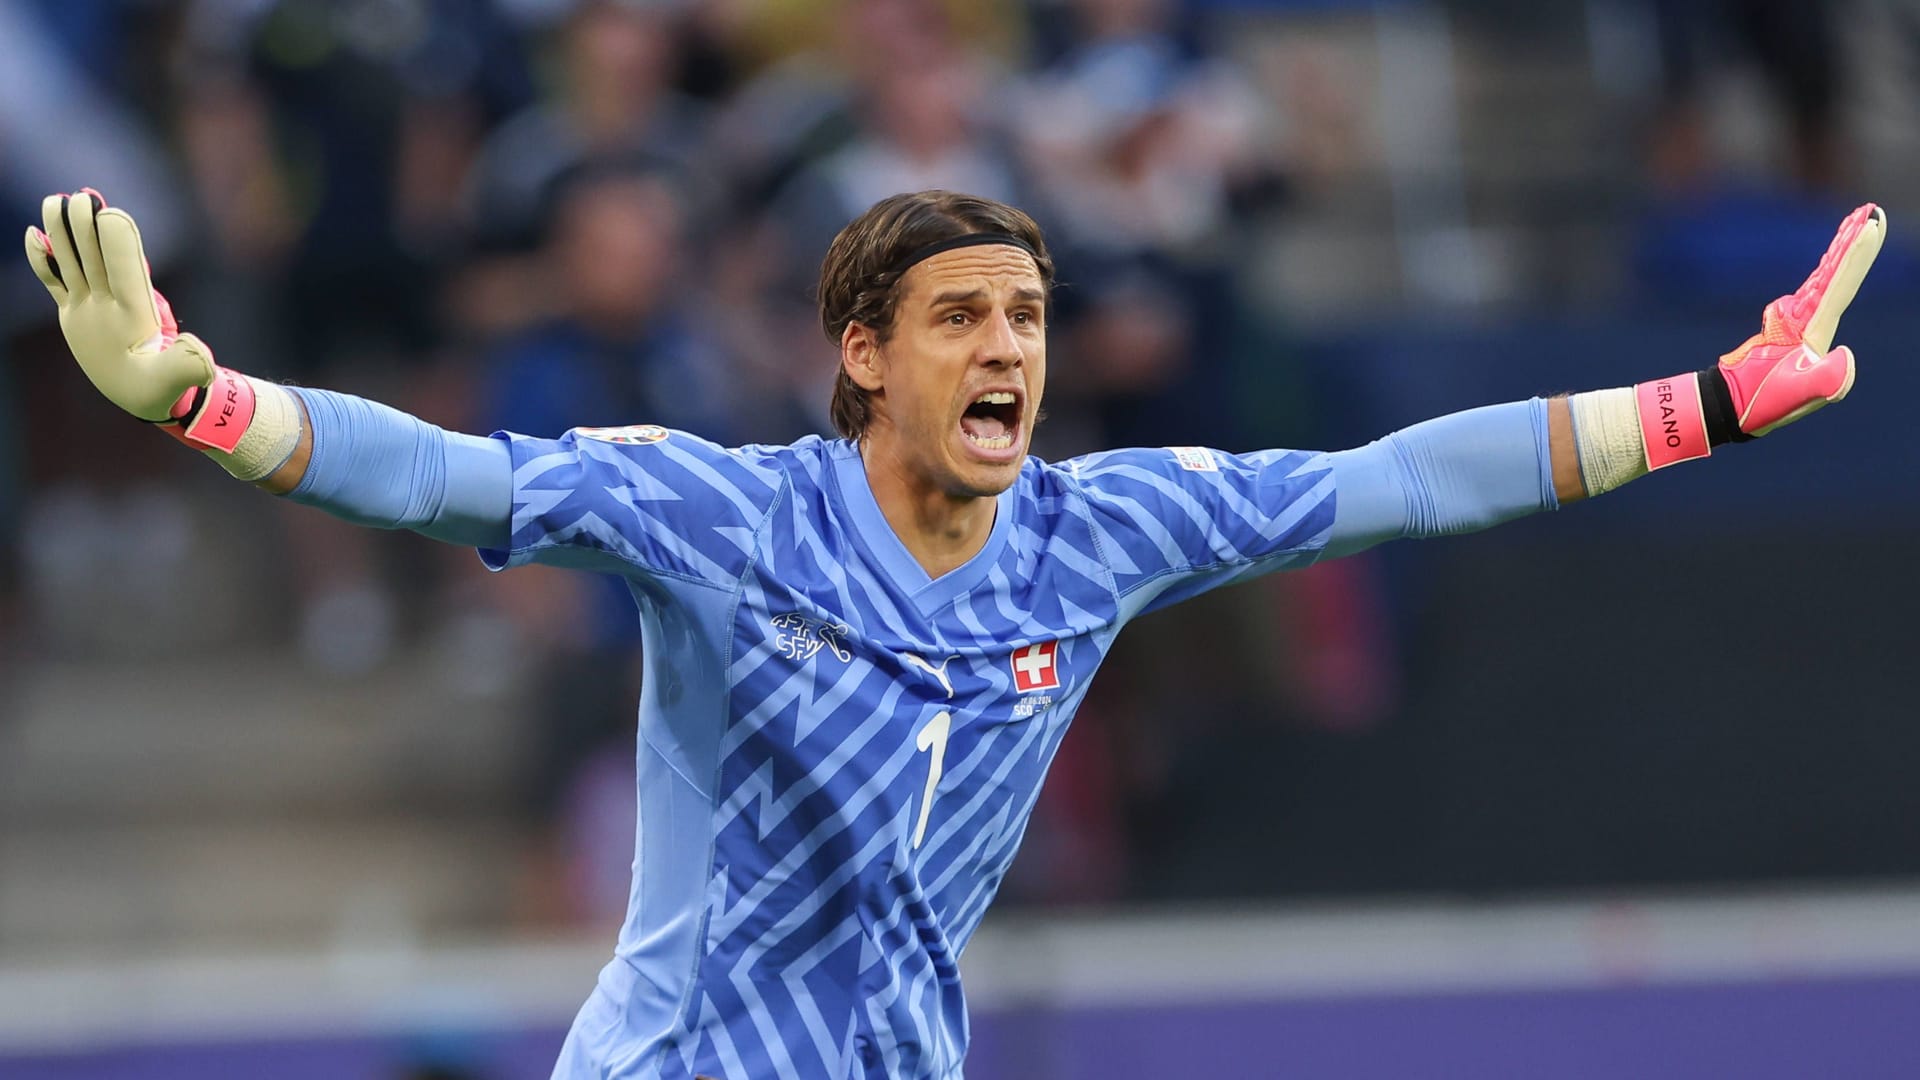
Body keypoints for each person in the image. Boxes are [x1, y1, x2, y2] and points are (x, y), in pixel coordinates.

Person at [25, 187, 1882, 1078]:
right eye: (960, 317)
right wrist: (200, 397)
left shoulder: (1101, 533)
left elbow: (1399, 481)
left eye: (1030, 314)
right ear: (863, 354)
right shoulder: (722, 515)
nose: (1009, 349)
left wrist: (1704, 405)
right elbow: (440, 479)